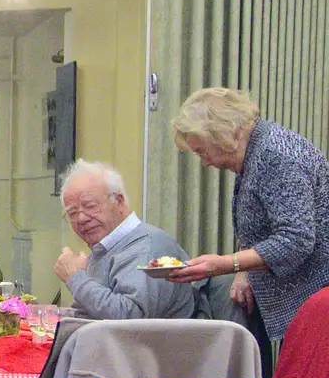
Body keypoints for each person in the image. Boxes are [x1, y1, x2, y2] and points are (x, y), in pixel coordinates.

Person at [168, 87, 329, 344]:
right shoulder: (254, 151)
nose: (204, 162)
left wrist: (226, 264)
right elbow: (259, 223)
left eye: (202, 151)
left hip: (317, 296)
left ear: (222, 133)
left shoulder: (275, 155)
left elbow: (296, 240)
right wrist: (244, 274)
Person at [52, 159, 195, 320]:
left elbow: (129, 318)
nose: (82, 218)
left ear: (119, 202)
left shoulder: (147, 246)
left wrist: (76, 277)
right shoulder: (104, 249)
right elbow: (88, 314)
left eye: (91, 206)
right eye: (72, 213)